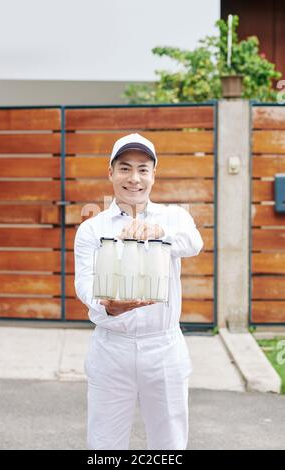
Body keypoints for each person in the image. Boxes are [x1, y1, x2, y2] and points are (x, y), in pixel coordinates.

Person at [74, 132, 204, 450]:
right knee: (104, 443)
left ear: (153, 174)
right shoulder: (92, 227)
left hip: (164, 347)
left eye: (143, 169)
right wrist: (106, 305)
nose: (134, 178)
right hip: (111, 348)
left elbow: (194, 244)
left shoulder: (174, 217)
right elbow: (84, 282)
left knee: (169, 443)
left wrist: (160, 232)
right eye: (125, 168)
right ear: (111, 172)